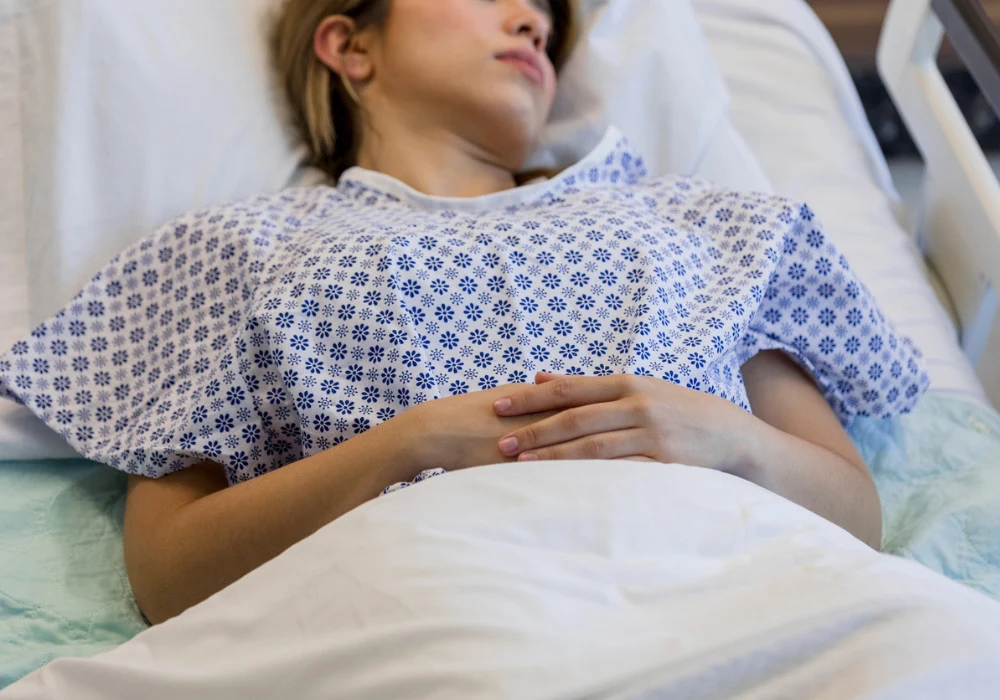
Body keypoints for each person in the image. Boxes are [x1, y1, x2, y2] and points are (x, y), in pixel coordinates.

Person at [0, 0, 929, 626]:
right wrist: (410, 443)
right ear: (348, 45)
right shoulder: (232, 251)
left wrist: (728, 437)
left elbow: (857, 518)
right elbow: (169, 577)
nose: (533, 17)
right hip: (410, 623)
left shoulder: (697, 218)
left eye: (546, 15)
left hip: (720, 605)